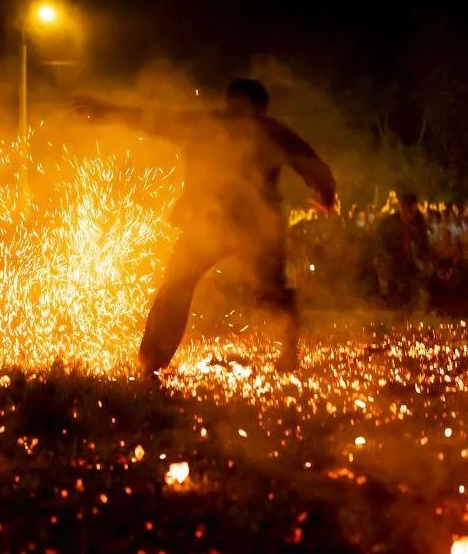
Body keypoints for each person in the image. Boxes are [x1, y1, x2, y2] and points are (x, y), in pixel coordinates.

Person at [73, 79, 337, 377]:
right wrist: (108, 111)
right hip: (217, 222)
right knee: (181, 287)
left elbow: (311, 164)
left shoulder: (257, 131)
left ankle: (285, 353)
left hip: (250, 225)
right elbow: (154, 120)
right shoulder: (242, 128)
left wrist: (325, 190)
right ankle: (152, 362)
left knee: (262, 291)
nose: (241, 113)